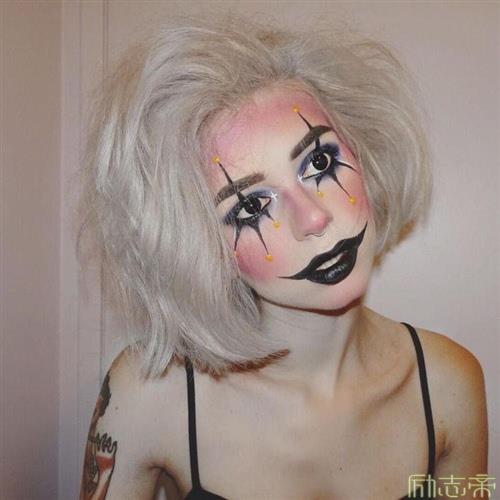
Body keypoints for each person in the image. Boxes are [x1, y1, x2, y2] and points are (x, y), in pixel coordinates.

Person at [76, 16, 488, 500]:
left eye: (319, 162)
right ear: (198, 245)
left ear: (366, 154)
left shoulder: (448, 384)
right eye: (252, 207)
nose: (313, 218)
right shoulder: (147, 393)